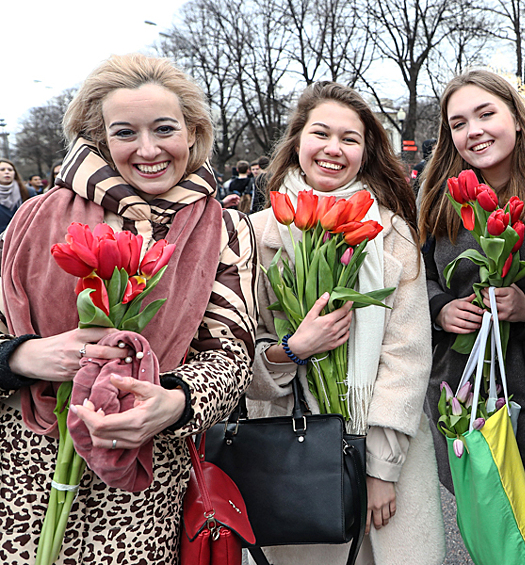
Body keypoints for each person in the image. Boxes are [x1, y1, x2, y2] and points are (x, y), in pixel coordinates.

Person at [0, 53, 256, 563]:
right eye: (125, 133)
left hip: (141, 480)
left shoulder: (223, 229)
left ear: (193, 132)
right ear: (99, 138)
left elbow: (232, 354)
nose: (148, 150)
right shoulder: (33, 217)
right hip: (22, 467)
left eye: (164, 129)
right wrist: (21, 357)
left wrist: (176, 401)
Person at [246, 81, 445, 565]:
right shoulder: (255, 234)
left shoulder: (390, 231)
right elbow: (236, 352)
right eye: (321, 133)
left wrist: (381, 468)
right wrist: (293, 349)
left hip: (382, 442)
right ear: (297, 141)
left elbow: (408, 353)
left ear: (365, 151)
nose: (334, 149)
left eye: (350, 138)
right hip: (292, 449)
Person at [418, 68, 525, 557]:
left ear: (518, 118)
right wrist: (441, 308)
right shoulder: (440, 199)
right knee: (485, 514)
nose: (474, 131)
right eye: (459, 123)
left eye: (487, 114)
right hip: (462, 381)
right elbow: (414, 280)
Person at [0, 158, 32, 233]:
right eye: (2, 170)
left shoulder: (28, 192)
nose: (7, 172)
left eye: (10, 170)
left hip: (23, 237)